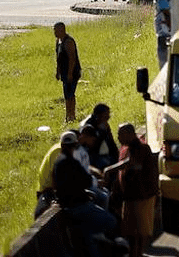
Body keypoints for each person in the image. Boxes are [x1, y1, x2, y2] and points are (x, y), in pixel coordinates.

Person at [53, 130, 119, 257]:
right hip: (78, 205)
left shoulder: (58, 162)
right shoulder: (72, 162)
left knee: (88, 234)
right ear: (75, 145)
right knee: (111, 221)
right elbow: (86, 181)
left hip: (68, 206)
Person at [104, 123, 158, 257]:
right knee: (130, 232)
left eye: (120, 134)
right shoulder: (125, 148)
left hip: (142, 196)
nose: (118, 137)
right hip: (130, 196)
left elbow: (132, 163)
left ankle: (138, 254)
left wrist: (109, 170)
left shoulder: (141, 147)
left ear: (129, 134)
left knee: (139, 232)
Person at [54, 22, 82, 123]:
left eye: (57, 30)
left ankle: (72, 115)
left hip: (72, 72)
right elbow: (58, 57)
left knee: (70, 94)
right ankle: (68, 115)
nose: (55, 32)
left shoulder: (68, 42)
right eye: (54, 30)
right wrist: (58, 71)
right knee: (66, 94)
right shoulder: (58, 41)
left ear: (62, 30)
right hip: (64, 72)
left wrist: (70, 73)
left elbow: (72, 59)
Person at [81, 103, 120, 170]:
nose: (108, 118)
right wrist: (101, 132)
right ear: (98, 115)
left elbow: (111, 143)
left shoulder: (103, 123)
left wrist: (117, 156)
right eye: (106, 116)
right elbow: (91, 146)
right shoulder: (88, 127)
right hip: (87, 156)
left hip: (97, 153)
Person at [153, 0, 171, 69]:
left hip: (163, 29)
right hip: (175, 29)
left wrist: (169, 23)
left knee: (163, 59)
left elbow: (165, 9)